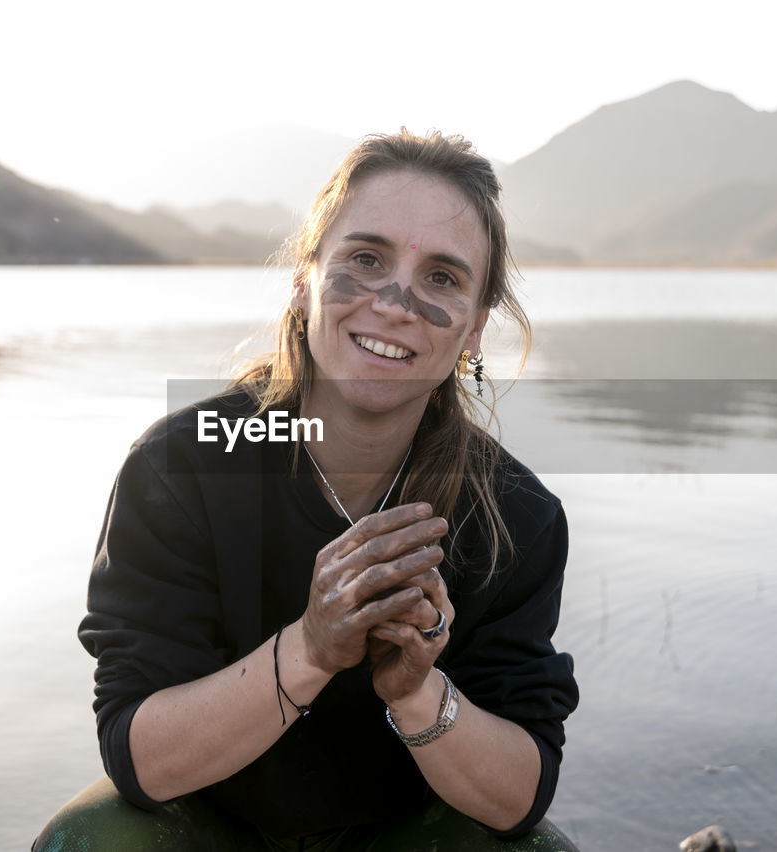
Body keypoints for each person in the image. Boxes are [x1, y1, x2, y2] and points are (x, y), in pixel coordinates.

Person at [34, 129, 579, 851]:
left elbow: (518, 802)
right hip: (210, 825)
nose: (396, 300)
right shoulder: (183, 469)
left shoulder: (515, 514)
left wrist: (416, 691)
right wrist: (315, 647)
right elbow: (139, 760)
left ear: (475, 330)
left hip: (403, 833)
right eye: (365, 259)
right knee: (91, 838)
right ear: (305, 280)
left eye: (442, 277)